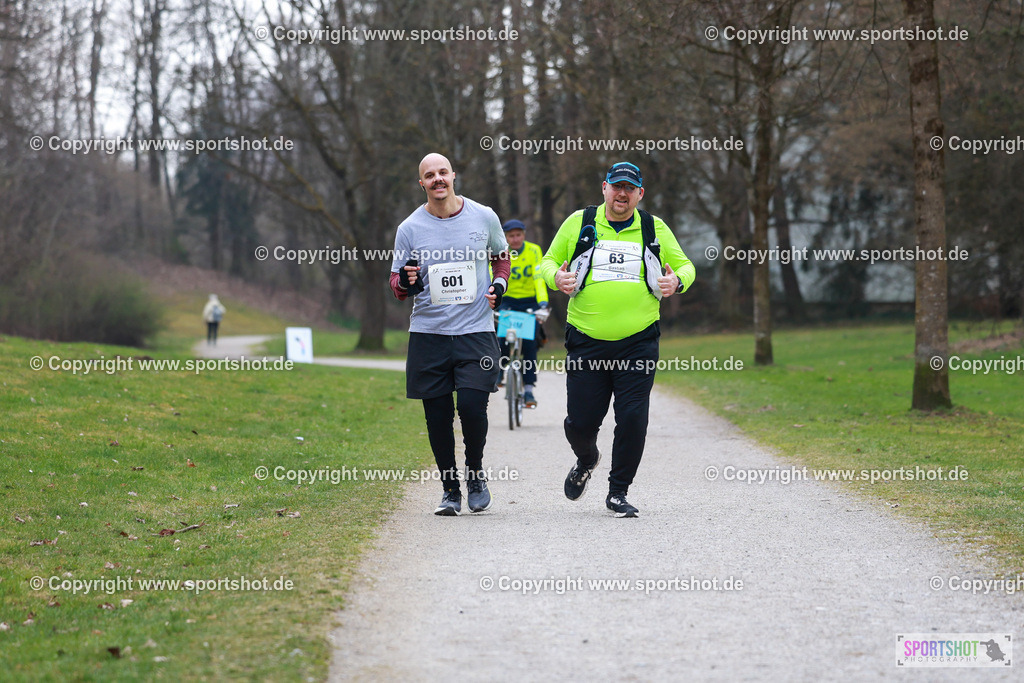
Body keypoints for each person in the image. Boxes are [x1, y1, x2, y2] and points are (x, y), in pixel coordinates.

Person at [539, 161, 695, 517]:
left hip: (638, 342)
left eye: (630, 188)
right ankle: (587, 457)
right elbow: (547, 262)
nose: (622, 194)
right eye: (616, 186)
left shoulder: (653, 228)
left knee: (633, 418)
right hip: (587, 340)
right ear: (604, 188)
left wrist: (677, 282)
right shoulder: (581, 222)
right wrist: (556, 279)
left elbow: (686, 265)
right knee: (580, 423)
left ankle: (618, 491)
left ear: (639, 194)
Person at [390, 152, 510, 516]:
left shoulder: (483, 216)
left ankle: (475, 473)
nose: (438, 179)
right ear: (422, 183)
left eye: (443, 172)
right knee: (438, 417)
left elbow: (502, 256)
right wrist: (407, 281)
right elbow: (396, 283)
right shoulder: (409, 228)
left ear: (453, 175)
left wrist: (499, 285)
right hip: (429, 334)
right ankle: (450, 489)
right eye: (430, 175)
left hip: (476, 330)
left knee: (473, 408)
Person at [496, 219, 549, 408]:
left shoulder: (534, 250)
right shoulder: (501, 251)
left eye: (518, 235)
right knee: (502, 338)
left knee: (529, 345)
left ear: (524, 235)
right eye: (511, 236)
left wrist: (543, 302)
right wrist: (493, 297)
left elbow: (538, 277)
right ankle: (500, 373)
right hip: (507, 301)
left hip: (530, 302)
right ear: (506, 237)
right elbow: (492, 273)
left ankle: (528, 389)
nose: (515, 239)